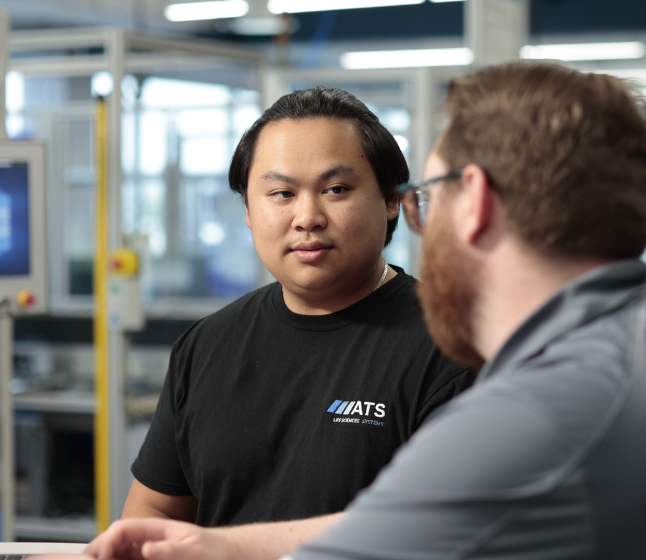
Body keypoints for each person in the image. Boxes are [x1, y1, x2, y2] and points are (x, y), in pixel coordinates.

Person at [0, 63, 646, 560]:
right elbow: (429, 531)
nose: (310, 215)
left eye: (416, 198)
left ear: (476, 204)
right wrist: (226, 547)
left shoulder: (547, 418)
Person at [124, 86, 474, 527]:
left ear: (390, 201)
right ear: (249, 210)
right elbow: (154, 510)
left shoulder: (452, 347)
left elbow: (439, 535)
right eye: (282, 194)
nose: (307, 217)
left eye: (336, 188)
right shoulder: (206, 344)